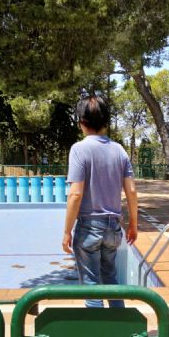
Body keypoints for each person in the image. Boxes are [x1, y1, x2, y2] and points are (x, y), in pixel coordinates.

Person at [62, 95, 138, 307]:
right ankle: (119, 332)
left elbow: (75, 194)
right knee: (111, 281)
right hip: (113, 227)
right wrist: (133, 224)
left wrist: (67, 231)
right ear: (105, 121)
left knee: (91, 286)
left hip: (89, 227)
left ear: (81, 122)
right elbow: (131, 191)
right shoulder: (119, 150)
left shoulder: (79, 149)